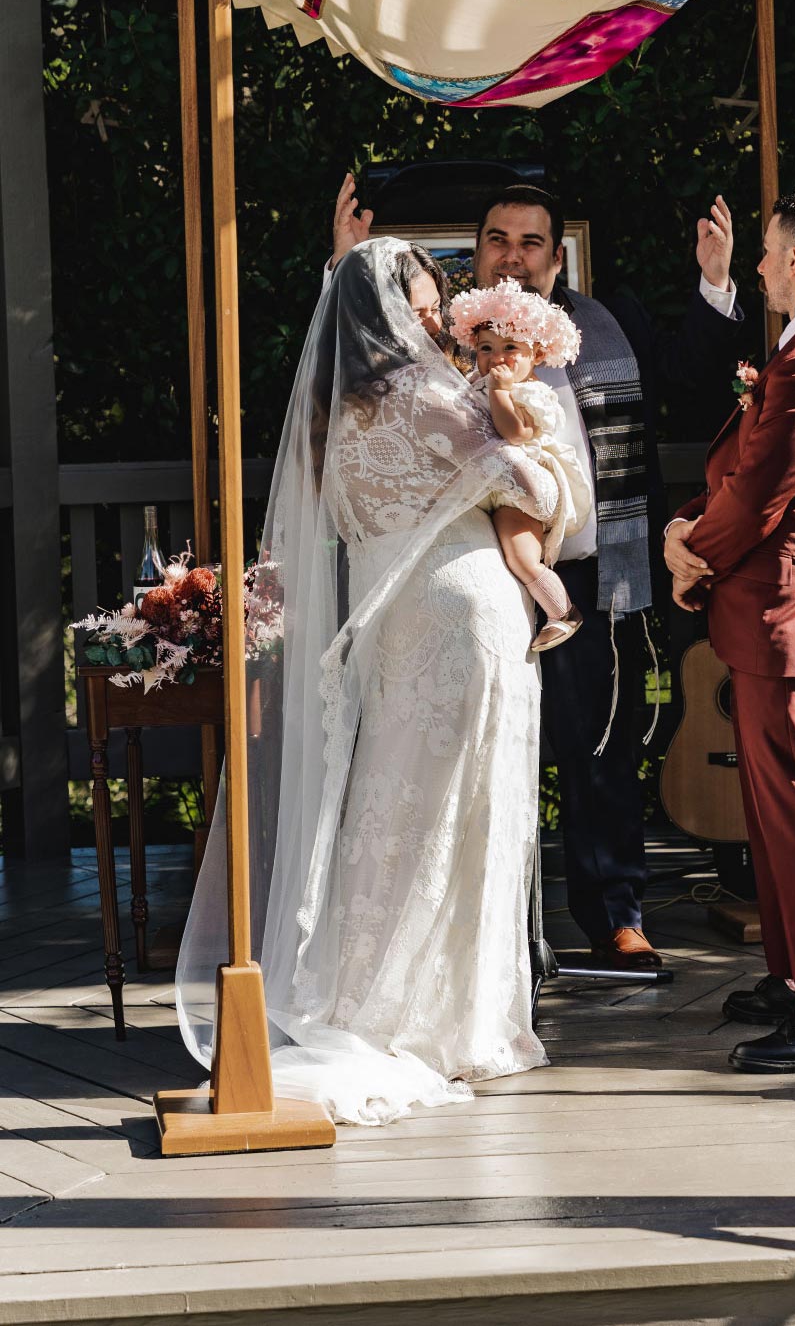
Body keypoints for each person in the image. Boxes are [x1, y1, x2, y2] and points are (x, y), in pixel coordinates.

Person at [176, 239, 561, 1124]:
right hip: (464, 614)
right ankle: (454, 1022)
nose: (435, 317)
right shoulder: (432, 398)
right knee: (463, 809)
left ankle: (373, 991)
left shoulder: (332, 420)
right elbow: (528, 490)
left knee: (392, 807)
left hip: (390, 625)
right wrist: (553, 458)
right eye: (424, 302)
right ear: (391, 312)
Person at [331, 173, 746, 970]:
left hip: (591, 574)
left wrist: (716, 281)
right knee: (478, 754)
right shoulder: (439, 340)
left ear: (558, 256)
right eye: (497, 240)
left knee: (599, 750)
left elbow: (692, 376)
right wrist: (346, 268)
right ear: (476, 249)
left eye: (530, 242)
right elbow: (360, 365)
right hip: (473, 579)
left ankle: (615, 914)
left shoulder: (607, 321)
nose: (512, 257)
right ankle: (479, 939)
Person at [665, 187, 795, 1074]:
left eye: (764, 251)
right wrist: (692, 528)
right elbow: (749, 470)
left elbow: (761, 496)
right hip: (768, 612)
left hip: (793, 615)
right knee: (772, 816)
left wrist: (690, 554)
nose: (755, 266)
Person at [449, 278, 591, 652]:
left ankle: (562, 611)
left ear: (537, 356)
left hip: (521, 490)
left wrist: (499, 393)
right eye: (486, 348)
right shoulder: (472, 384)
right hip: (486, 485)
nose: (497, 358)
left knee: (520, 554)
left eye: (510, 347)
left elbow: (515, 432)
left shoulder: (532, 392)